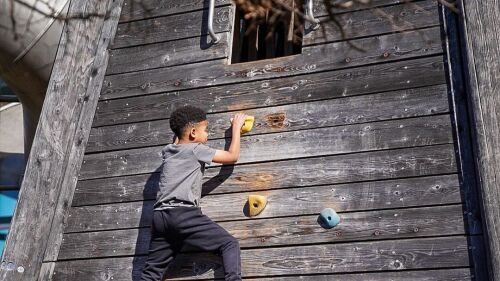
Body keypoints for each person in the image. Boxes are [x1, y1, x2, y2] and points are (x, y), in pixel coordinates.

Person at [139, 105, 247, 281]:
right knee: (229, 244)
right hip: (183, 215)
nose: (208, 135)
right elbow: (231, 156)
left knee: (151, 274)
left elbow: (177, 138)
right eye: (206, 130)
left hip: (160, 217)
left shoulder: (169, 152)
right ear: (193, 133)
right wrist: (236, 128)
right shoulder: (196, 149)